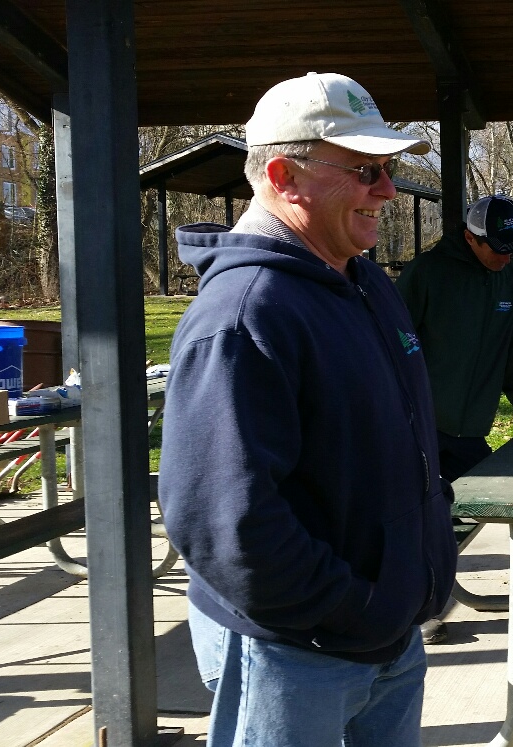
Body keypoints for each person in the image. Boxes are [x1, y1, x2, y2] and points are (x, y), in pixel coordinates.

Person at [158, 72, 457, 747]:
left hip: (387, 633)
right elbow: (223, 522)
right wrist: (354, 607)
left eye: (389, 170)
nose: (388, 190)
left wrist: (408, 582)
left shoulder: (364, 280)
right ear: (283, 176)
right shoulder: (245, 314)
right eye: (365, 171)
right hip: (295, 652)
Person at [397, 195, 513, 643]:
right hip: (417, 425)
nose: (506, 257)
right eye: (497, 248)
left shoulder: (510, 278)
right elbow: (390, 342)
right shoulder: (427, 273)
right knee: (415, 516)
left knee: (476, 506)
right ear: (471, 239)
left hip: (470, 427)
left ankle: (425, 593)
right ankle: (414, 609)